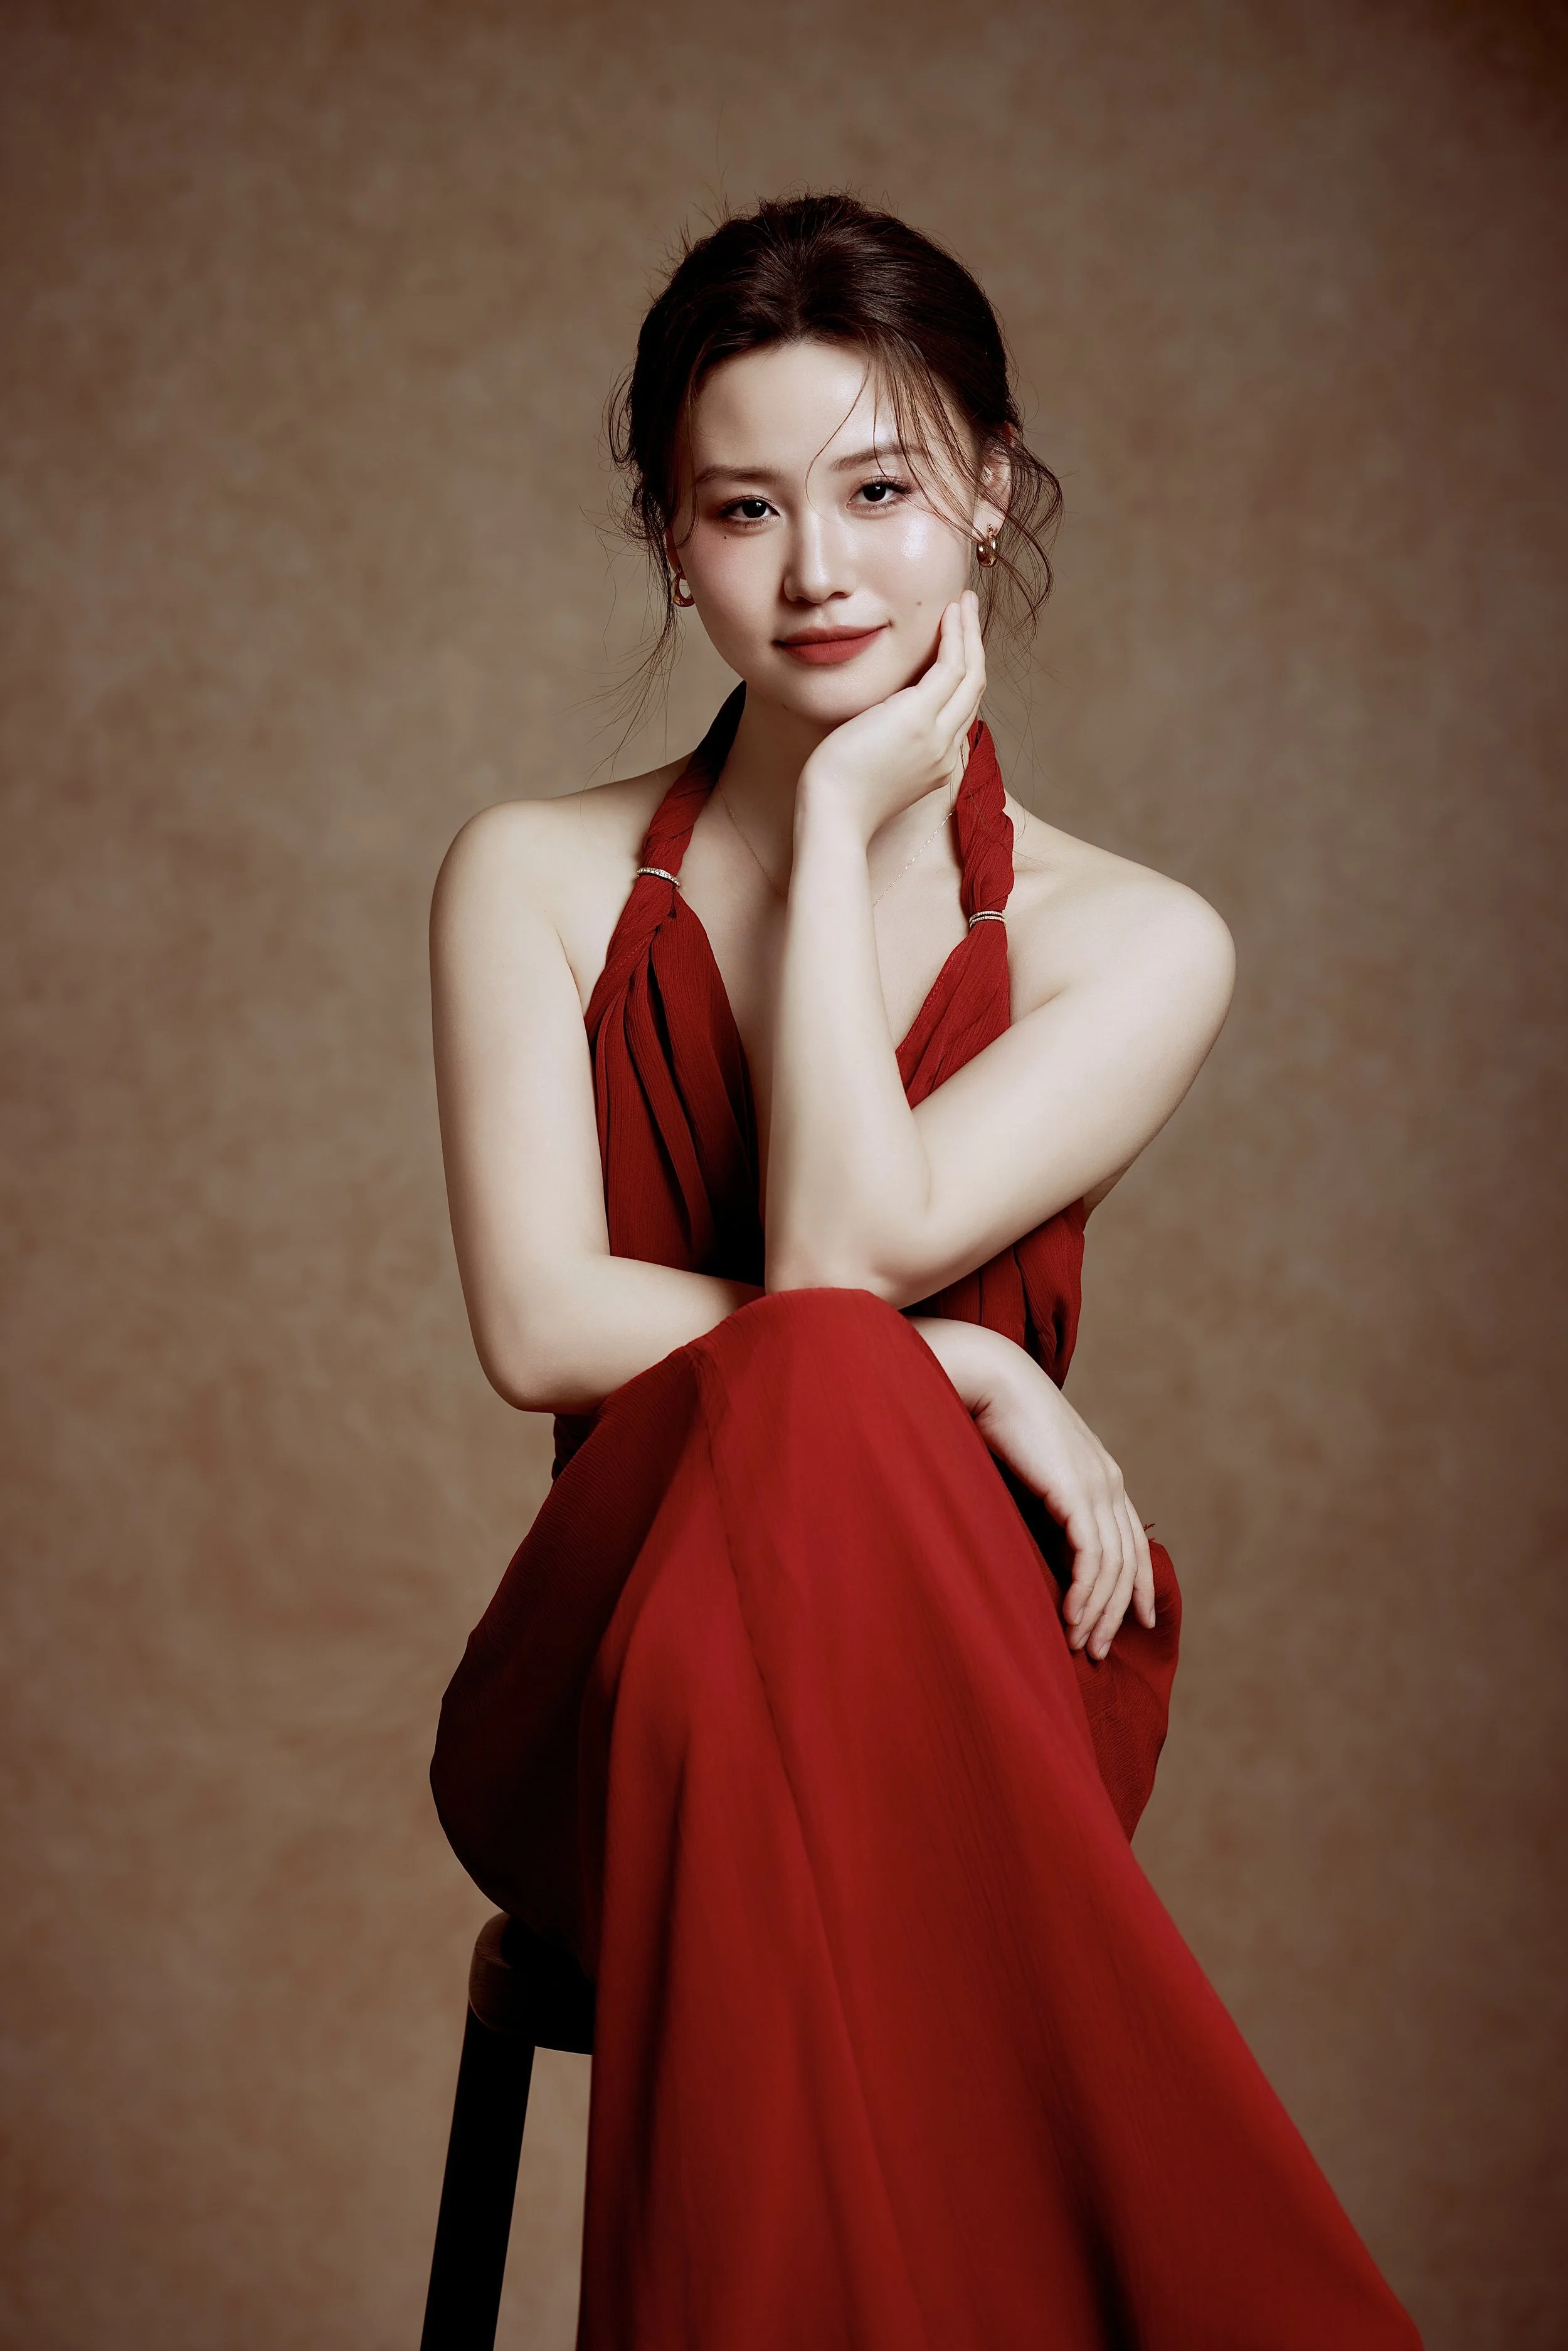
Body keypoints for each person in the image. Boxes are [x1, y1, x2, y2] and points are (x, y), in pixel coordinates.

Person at [427, 193, 1419, 2350]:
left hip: (981, 1675)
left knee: (821, 1371)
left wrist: (863, 812)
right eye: (741, 508)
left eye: (879, 491)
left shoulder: (1136, 939)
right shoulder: (528, 871)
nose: (816, 570)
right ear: (666, 536)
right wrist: (964, 1379)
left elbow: (825, 1263)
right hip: (613, 1700)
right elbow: (544, 1325)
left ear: (984, 485)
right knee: (833, 1380)